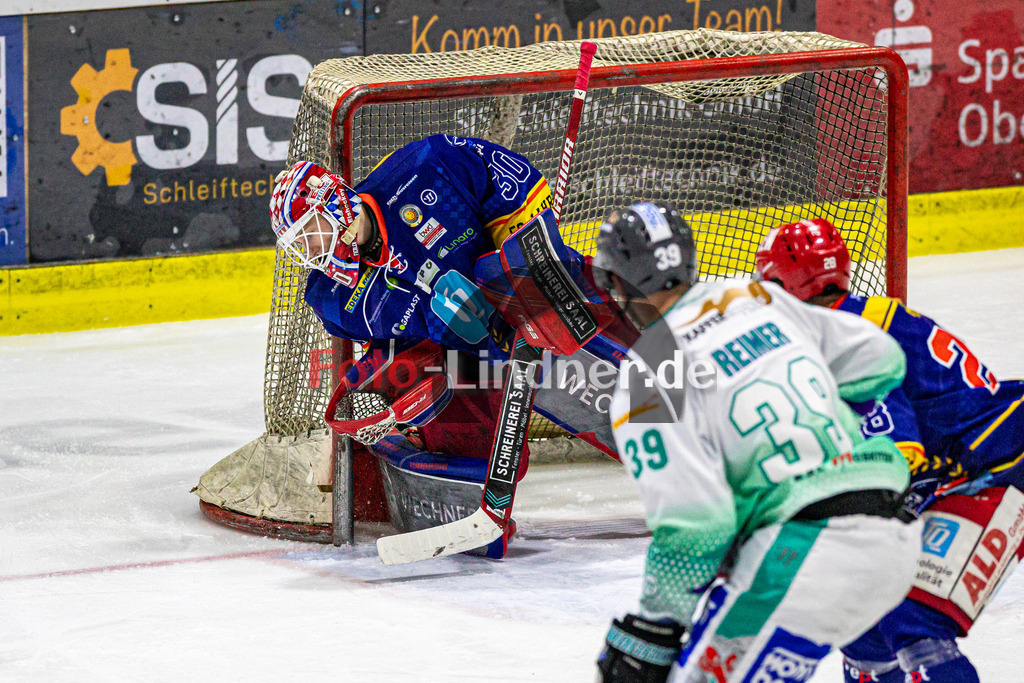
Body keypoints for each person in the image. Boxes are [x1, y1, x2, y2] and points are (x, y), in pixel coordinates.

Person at [592, 203, 920, 682]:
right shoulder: (756, 295)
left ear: (617, 284)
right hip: (896, 540)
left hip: (798, 558)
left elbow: (696, 526)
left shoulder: (650, 370)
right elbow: (883, 359)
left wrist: (655, 628)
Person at [268, 134, 631, 558]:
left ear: (335, 204)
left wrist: (526, 263)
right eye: (298, 245)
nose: (309, 252)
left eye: (309, 233)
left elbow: (514, 185)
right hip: (462, 362)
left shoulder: (428, 166)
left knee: (589, 322)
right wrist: (389, 397)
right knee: (465, 466)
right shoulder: (330, 296)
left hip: (518, 304)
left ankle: (691, 411)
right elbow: (396, 351)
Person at [756, 218, 1024, 683]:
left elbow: (899, 453)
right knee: (862, 627)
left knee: (912, 621)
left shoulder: (840, 340)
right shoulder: (853, 319)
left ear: (787, 283)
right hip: (965, 467)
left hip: (1001, 467)